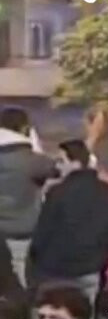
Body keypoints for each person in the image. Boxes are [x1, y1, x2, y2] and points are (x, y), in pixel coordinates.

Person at [29, 139, 108, 312]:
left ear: (74, 162)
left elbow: (42, 233)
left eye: (61, 161)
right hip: (90, 269)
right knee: (83, 316)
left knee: (51, 317)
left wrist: (36, 258)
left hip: (54, 269)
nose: (58, 167)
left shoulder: (57, 192)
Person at [0, 108, 56, 287]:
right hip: (21, 234)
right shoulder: (32, 161)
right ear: (25, 128)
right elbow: (62, 170)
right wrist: (34, 143)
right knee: (20, 282)